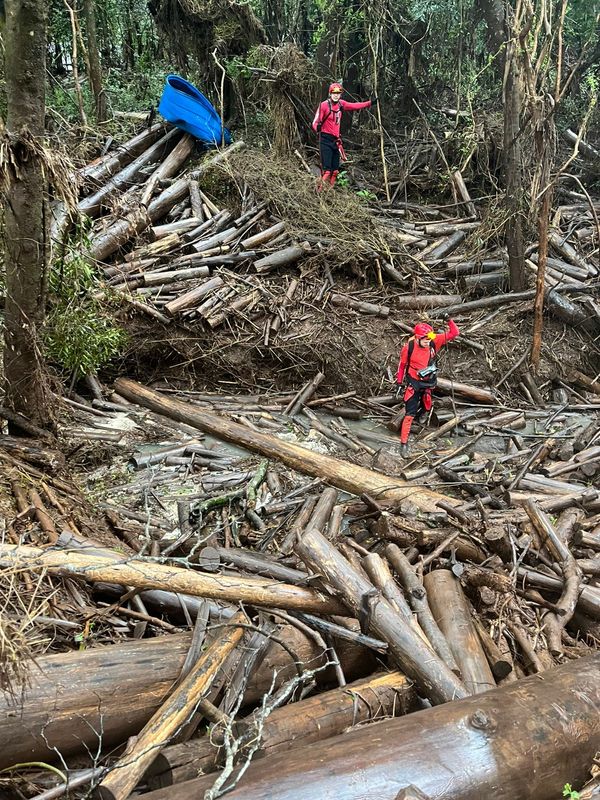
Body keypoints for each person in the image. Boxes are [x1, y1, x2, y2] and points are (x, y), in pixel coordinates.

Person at [395, 319, 460, 457]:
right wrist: (399, 383)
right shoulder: (409, 347)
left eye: (428, 341)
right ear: (418, 338)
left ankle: (423, 413)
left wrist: (448, 320)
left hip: (428, 380)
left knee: (427, 404)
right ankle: (404, 443)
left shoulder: (433, 340)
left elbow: (455, 333)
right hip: (413, 382)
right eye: (424, 341)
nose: (426, 343)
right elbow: (402, 365)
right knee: (409, 414)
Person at [312, 82, 377, 190]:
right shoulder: (323, 105)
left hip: (336, 141)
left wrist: (370, 103)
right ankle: (319, 191)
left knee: (335, 170)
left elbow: (355, 106)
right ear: (330, 94)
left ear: (340, 94)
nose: (336, 95)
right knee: (327, 171)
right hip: (325, 139)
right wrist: (317, 128)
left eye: (338, 93)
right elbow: (315, 122)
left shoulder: (341, 104)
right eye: (334, 93)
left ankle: (330, 190)